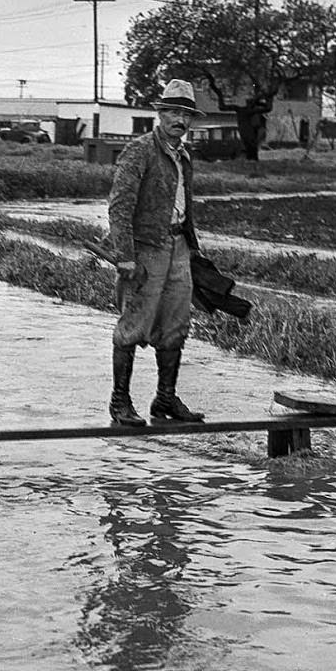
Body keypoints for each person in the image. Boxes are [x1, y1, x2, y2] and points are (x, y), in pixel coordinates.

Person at [106, 78, 206, 427]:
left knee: (176, 324)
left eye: (186, 114)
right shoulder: (140, 150)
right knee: (134, 324)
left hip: (179, 247)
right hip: (146, 248)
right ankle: (120, 402)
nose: (180, 119)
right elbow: (120, 206)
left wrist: (193, 250)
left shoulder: (183, 155)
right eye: (174, 112)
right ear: (160, 114)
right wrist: (125, 255)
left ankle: (165, 399)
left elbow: (183, 205)